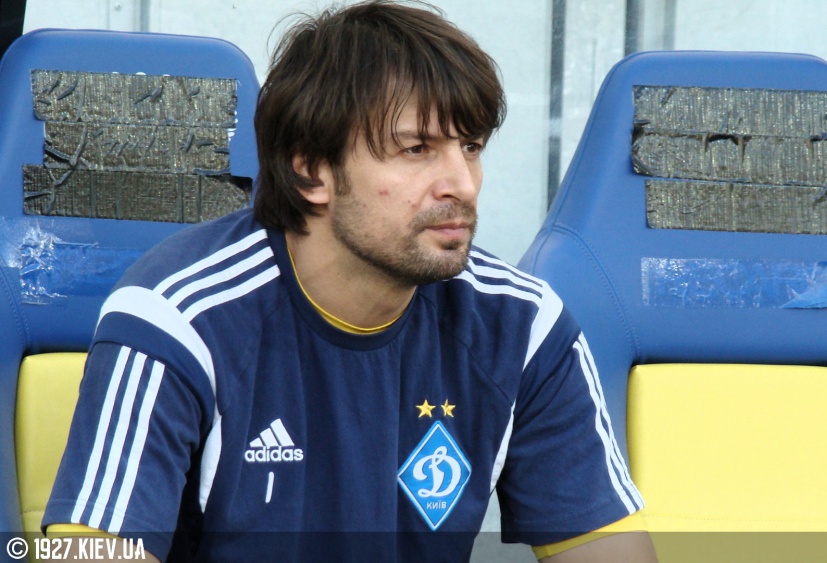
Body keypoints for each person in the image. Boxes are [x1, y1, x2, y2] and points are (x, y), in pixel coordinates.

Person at [42, 1, 655, 561]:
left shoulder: (523, 326)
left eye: (470, 147)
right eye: (416, 149)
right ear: (311, 171)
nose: (463, 184)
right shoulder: (178, 318)